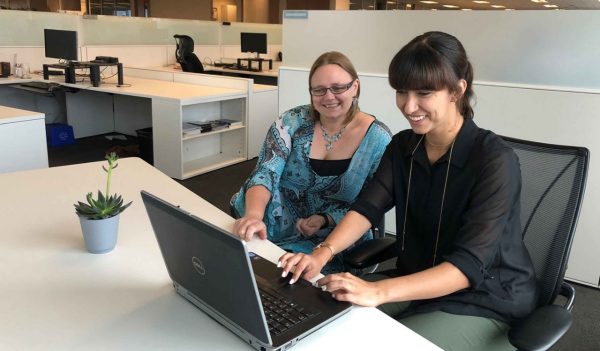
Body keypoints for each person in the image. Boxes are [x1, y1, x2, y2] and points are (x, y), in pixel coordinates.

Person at [278, 32, 537, 350]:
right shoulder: (403, 145)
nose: (409, 106)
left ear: (457, 90)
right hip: (413, 280)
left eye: (424, 93)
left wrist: (377, 292)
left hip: (484, 298)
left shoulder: (494, 160)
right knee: (320, 320)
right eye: (402, 91)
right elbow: (367, 208)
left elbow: (468, 267)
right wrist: (323, 252)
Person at [231, 51, 392, 274]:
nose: (328, 97)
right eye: (319, 90)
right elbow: (266, 171)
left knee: (292, 289)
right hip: (271, 225)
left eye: (338, 88)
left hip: (332, 240)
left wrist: (325, 219)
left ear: (355, 87)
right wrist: (254, 216)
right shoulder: (292, 121)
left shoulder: (377, 139)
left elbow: (369, 204)